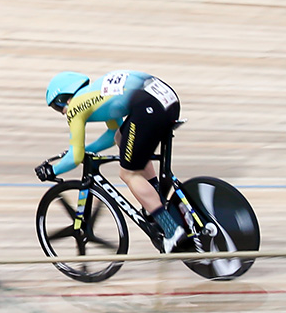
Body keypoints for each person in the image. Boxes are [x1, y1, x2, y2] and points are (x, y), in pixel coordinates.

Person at [38, 71, 186, 249]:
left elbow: (75, 157)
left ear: (65, 98)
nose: (61, 113)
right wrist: (86, 150)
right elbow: (111, 135)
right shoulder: (99, 94)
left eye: (57, 106)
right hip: (166, 99)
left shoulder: (76, 106)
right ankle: (156, 195)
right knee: (121, 138)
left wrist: (52, 171)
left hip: (149, 106)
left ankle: (171, 230)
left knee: (128, 174)